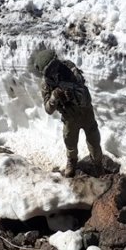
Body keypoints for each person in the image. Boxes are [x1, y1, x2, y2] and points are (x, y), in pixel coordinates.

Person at [34, 50, 103, 178]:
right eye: (50, 69)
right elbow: (48, 109)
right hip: (69, 117)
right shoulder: (47, 84)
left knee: (94, 140)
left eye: (54, 65)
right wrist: (55, 96)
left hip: (85, 112)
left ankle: (98, 164)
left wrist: (73, 92)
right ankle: (72, 161)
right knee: (70, 142)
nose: (54, 70)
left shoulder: (70, 70)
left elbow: (84, 95)